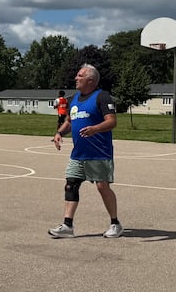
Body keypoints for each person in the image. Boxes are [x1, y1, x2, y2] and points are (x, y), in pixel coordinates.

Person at [49, 64, 122, 239]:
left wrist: (95, 129)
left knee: (102, 186)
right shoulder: (74, 99)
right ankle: (67, 225)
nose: (76, 78)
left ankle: (115, 224)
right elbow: (69, 121)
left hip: (99, 152)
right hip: (78, 154)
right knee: (71, 184)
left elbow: (112, 121)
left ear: (90, 80)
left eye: (79, 75)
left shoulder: (102, 97)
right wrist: (59, 133)